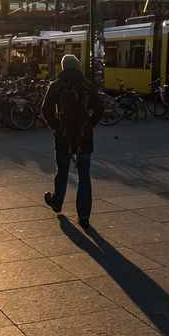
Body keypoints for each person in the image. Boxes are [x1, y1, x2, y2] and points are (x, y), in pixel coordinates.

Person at [40, 53, 103, 228]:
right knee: (84, 176)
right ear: (78, 67)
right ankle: (83, 216)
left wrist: (54, 126)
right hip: (84, 137)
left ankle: (57, 202)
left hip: (63, 135)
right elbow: (99, 109)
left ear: (63, 68)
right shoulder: (88, 86)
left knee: (62, 171)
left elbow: (45, 109)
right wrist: (88, 124)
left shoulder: (56, 86)